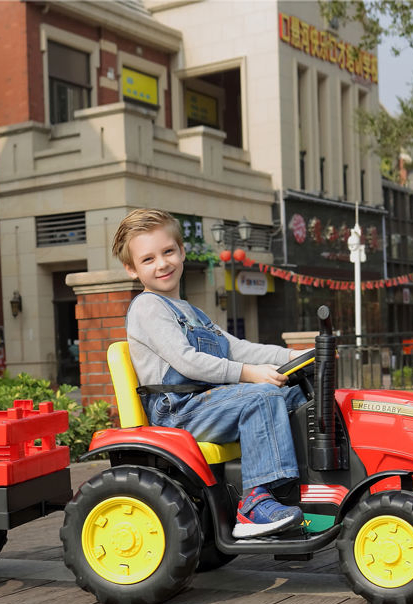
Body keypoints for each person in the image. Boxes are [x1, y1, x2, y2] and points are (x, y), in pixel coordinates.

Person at [112, 208, 310, 539]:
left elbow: (237, 349)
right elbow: (188, 362)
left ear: (182, 251)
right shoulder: (148, 308)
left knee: (295, 393)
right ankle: (255, 505)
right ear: (132, 269)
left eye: (168, 251)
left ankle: (298, 489)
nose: (162, 263)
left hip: (206, 402)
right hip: (178, 409)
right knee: (261, 396)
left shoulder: (192, 312)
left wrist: (294, 355)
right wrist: (248, 374)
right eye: (148, 259)